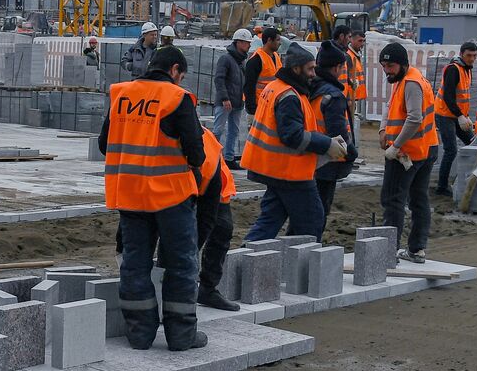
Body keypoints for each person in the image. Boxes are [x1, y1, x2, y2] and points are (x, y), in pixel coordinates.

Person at [99, 45, 207, 351]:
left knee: (134, 265)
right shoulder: (177, 98)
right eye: (181, 76)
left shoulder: (121, 94)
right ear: (174, 71)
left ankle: (140, 335)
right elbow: (197, 154)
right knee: (181, 264)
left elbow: (105, 144)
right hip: (171, 196)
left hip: (130, 195)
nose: (180, 81)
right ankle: (181, 336)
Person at [242, 42, 345, 242]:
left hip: (275, 168)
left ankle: (243, 263)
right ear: (296, 68)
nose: (314, 73)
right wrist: (326, 144)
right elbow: (293, 135)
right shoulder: (289, 96)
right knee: (311, 220)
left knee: (270, 220)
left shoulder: (277, 88)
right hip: (290, 171)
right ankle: (300, 268)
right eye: (310, 69)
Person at [378, 41, 439, 263]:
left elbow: (415, 118)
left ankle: (388, 252)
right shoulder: (404, 78)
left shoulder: (411, 83)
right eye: (384, 66)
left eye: (390, 66)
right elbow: (391, 105)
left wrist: (395, 146)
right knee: (418, 200)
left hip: (408, 152)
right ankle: (416, 249)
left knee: (393, 200)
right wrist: (383, 129)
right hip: (425, 149)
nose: (387, 70)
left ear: (402, 64)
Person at [195, 126, 239, 311]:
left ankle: (207, 288)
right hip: (185, 187)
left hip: (214, 180)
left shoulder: (204, 133)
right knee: (184, 244)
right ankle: (168, 296)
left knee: (223, 228)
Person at [312, 41, 357, 219]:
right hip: (328, 160)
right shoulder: (334, 96)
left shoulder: (312, 87)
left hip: (310, 154)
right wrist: (351, 152)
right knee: (321, 208)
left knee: (309, 207)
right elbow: (337, 132)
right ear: (337, 67)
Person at [434, 41, 476, 195]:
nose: (472, 59)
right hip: (445, 114)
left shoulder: (467, 70)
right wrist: (460, 116)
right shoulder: (453, 69)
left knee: (473, 143)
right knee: (451, 150)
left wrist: (466, 116)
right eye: (469, 55)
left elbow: (463, 96)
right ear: (461, 54)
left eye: (474, 56)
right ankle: (442, 187)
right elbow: (448, 97)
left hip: (457, 115)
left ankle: (470, 179)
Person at [214, 28, 250, 169]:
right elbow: (219, 79)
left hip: (237, 102)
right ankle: (213, 157)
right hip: (225, 102)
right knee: (218, 130)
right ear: (238, 42)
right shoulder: (226, 59)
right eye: (246, 42)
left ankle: (229, 159)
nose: (248, 45)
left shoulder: (241, 61)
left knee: (233, 131)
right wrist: (224, 98)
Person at [242, 26, 283, 115]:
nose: (280, 43)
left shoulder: (276, 57)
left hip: (273, 104)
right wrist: (252, 110)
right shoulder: (256, 60)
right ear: (269, 40)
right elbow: (249, 87)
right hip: (259, 106)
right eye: (278, 40)